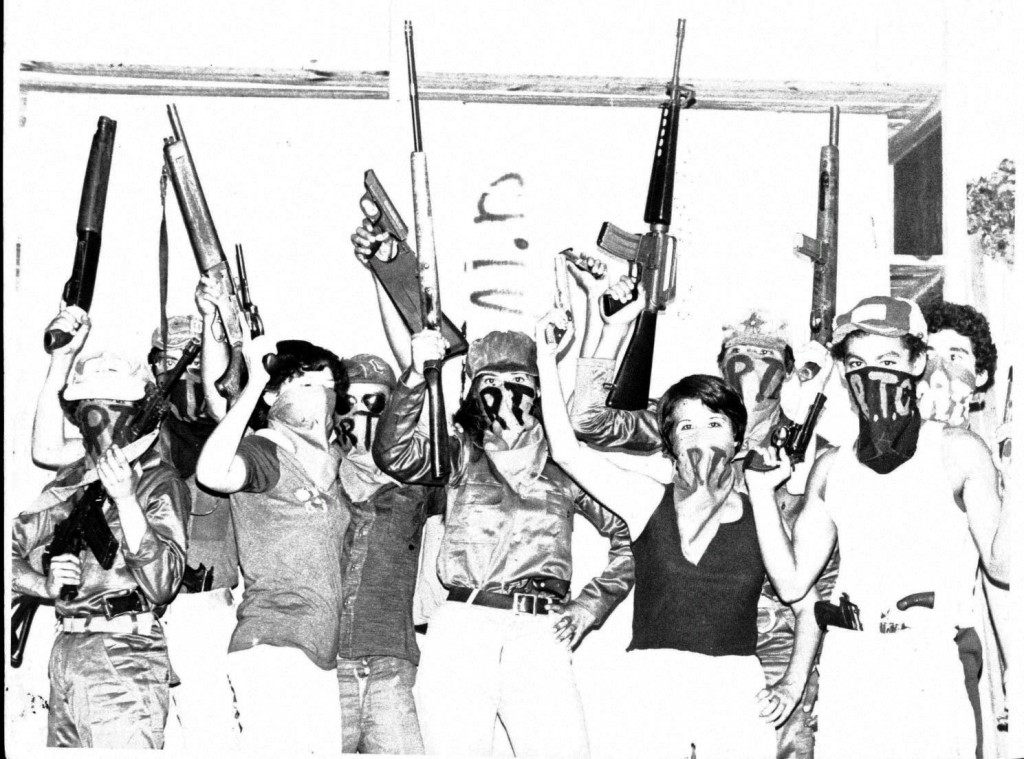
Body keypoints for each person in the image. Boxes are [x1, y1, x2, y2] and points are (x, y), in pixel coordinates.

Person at [567, 262, 832, 759]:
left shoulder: (814, 448)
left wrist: (798, 679)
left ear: (790, 370)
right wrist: (613, 330)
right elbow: (588, 422)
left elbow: (815, 584)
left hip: (773, 641)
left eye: (768, 358)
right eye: (738, 356)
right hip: (675, 631)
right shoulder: (693, 418)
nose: (752, 369)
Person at [746, 295, 1009, 759]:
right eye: (857, 363)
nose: (871, 375)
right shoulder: (831, 467)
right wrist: (761, 492)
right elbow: (792, 583)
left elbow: (1003, 566)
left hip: (930, 657)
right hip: (853, 661)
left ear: (917, 362)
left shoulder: (957, 451)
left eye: (888, 361)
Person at [372, 328, 634, 758]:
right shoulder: (459, 454)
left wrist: (591, 605)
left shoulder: (567, 463)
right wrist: (416, 376)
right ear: (473, 393)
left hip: (540, 631)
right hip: (463, 628)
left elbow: (633, 534)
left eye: (518, 380)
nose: (504, 391)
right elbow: (395, 454)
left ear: (538, 389)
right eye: (489, 382)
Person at [13, 306, 189, 749]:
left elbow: (163, 584)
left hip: (125, 655)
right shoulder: (72, 481)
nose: (102, 420)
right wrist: (43, 585)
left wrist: (126, 500)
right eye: (90, 406)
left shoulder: (158, 480)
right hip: (67, 655)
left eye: (115, 406)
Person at [196, 333, 352, 756]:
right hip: (274, 642)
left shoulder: (333, 462)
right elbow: (212, 473)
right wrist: (252, 385)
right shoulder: (264, 452)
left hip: (321, 647)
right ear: (273, 396)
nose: (320, 395)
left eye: (329, 386)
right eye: (306, 384)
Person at [334, 352, 443, 754]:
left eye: (375, 403)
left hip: (393, 662)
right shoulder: (313, 470)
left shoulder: (422, 481)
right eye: (348, 403)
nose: (360, 414)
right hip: (324, 661)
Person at [150, 278, 242, 751]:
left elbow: (217, 399)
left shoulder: (234, 431)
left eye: (191, 361)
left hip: (206, 607)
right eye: (168, 363)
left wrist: (214, 323)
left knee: (213, 736)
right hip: (142, 613)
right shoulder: (141, 434)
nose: (180, 374)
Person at [919, 299, 1008, 757]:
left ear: (982, 376)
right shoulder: (880, 451)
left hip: (955, 644)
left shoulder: (984, 455)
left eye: (956, 355)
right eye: (929, 354)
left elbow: (999, 571)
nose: (939, 370)